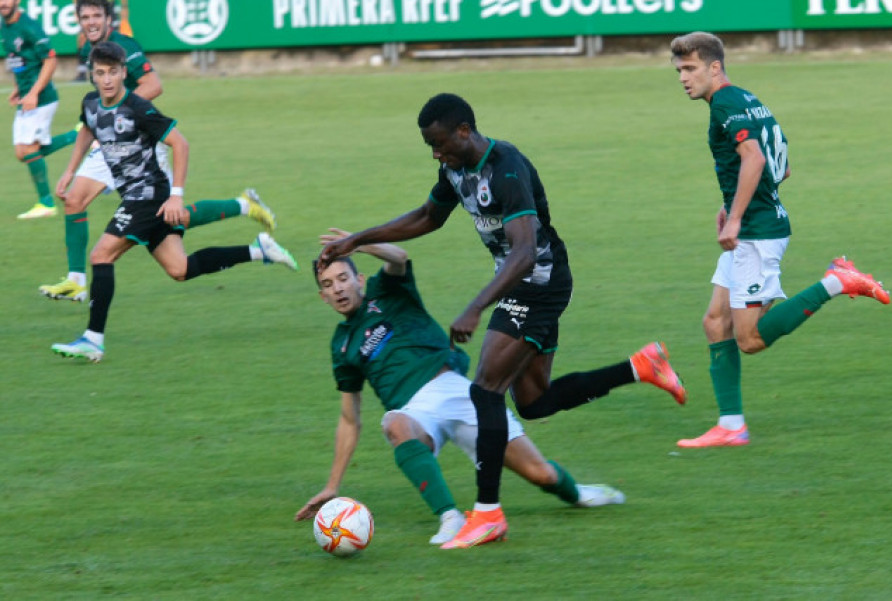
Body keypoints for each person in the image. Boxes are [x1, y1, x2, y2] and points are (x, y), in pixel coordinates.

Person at [318, 93, 686, 549]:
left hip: (539, 281)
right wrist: (359, 238)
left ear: (464, 131)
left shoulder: (505, 166)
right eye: (430, 147)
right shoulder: (455, 169)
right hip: (520, 282)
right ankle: (641, 366)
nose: (436, 154)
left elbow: (526, 251)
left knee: (484, 389)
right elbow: (428, 216)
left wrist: (476, 307)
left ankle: (488, 513)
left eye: (439, 144)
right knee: (533, 401)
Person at [297, 229, 627, 545]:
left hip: (456, 391)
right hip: (416, 413)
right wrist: (332, 485)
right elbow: (349, 419)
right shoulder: (342, 345)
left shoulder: (387, 292)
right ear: (322, 297)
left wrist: (359, 243)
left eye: (343, 278)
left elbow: (398, 256)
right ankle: (450, 517)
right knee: (393, 424)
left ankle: (580, 494)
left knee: (541, 475)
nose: (338, 289)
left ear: (359, 280)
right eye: (328, 285)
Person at [669, 32, 890, 448]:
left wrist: (735, 217)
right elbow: (781, 167)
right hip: (755, 222)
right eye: (679, 70)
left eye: (690, 68)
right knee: (715, 322)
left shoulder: (727, 105)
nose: (683, 77)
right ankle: (732, 426)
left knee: (749, 339)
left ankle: (837, 281)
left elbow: (754, 158)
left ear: (715, 67)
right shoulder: (749, 99)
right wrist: (732, 202)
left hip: (756, 233)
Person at [50, 41, 298, 363]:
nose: (107, 79)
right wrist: (70, 171)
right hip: (136, 196)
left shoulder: (138, 108)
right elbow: (88, 128)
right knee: (179, 269)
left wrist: (176, 195)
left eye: (113, 72)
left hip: (148, 195)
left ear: (124, 72)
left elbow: (180, 144)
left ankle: (93, 340)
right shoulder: (91, 103)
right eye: (100, 73)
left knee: (101, 255)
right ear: (92, 76)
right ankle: (259, 250)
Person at [40, 0, 273, 303]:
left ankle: (242, 205)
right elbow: (93, 111)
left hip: (138, 142)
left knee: (172, 218)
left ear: (109, 17)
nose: (92, 21)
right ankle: (76, 280)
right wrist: (71, 167)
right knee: (74, 199)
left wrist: (117, 117)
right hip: (112, 142)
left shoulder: (123, 45)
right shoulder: (87, 46)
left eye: (97, 15)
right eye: (85, 16)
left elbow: (153, 84)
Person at [1, 0, 78, 219]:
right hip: (26, 97)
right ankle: (78, 135)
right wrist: (18, 88)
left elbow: (50, 59)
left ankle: (46, 203)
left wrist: (34, 92)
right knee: (22, 153)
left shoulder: (29, 27)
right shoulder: (4, 26)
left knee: (29, 150)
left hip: (41, 98)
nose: (3, 3)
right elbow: (20, 60)